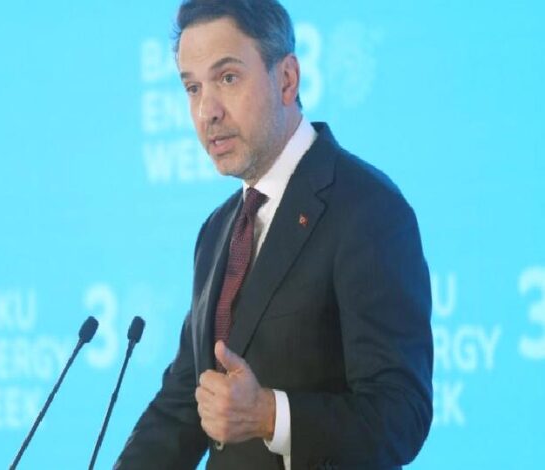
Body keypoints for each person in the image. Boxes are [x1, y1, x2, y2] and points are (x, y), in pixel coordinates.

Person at [116, 1, 433, 468]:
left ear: (286, 79)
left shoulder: (367, 209)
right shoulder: (218, 229)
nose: (206, 111)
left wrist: (270, 416)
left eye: (227, 78)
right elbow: (185, 403)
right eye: (193, 87)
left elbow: (401, 415)